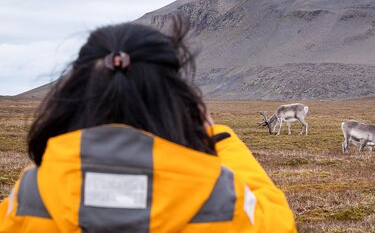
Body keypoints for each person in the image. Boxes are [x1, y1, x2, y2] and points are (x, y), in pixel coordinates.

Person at [0, 15, 296, 233]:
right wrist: (216, 137)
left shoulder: (30, 196)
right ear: (176, 101)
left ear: (75, 98)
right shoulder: (223, 200)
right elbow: (280, 221)